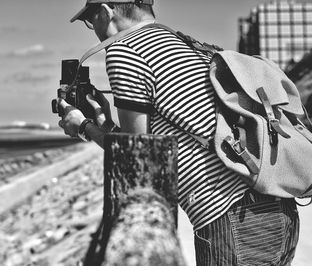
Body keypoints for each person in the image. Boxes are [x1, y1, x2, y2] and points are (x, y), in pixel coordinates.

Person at [56, 0, 300, 265]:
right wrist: (105, 124)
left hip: (233, 217)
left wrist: (82, 126)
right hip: (278, 209)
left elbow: (138, 155)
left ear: (106, 10)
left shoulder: (125, 50)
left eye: (90, 20)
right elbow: (149, 140)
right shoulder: (183, 43)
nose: (93, 28)